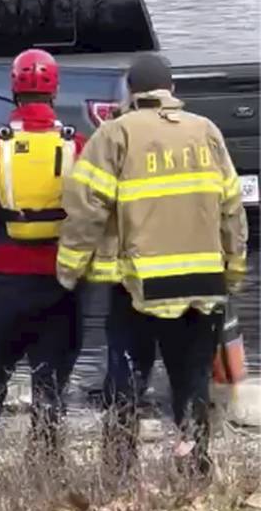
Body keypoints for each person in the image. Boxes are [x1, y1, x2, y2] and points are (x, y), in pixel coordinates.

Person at [57, 52, 248, 479]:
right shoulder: (207, 131)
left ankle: (119, 474)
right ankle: (194, 468)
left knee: (126, 382)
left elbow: (86, 209)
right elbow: (232, 210)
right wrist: (233, 271)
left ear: (131, 91)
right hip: (203, 282)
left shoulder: (115, 135)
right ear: (172, 91)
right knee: (192, 381)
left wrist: (69, 270)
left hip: (138, 286)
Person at [0, 48, 87, 471]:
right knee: (51, 385)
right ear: (55, 90)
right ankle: (45, 469)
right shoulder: (76, 144)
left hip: (7, 283)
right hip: (61, 283)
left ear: (14, 89)